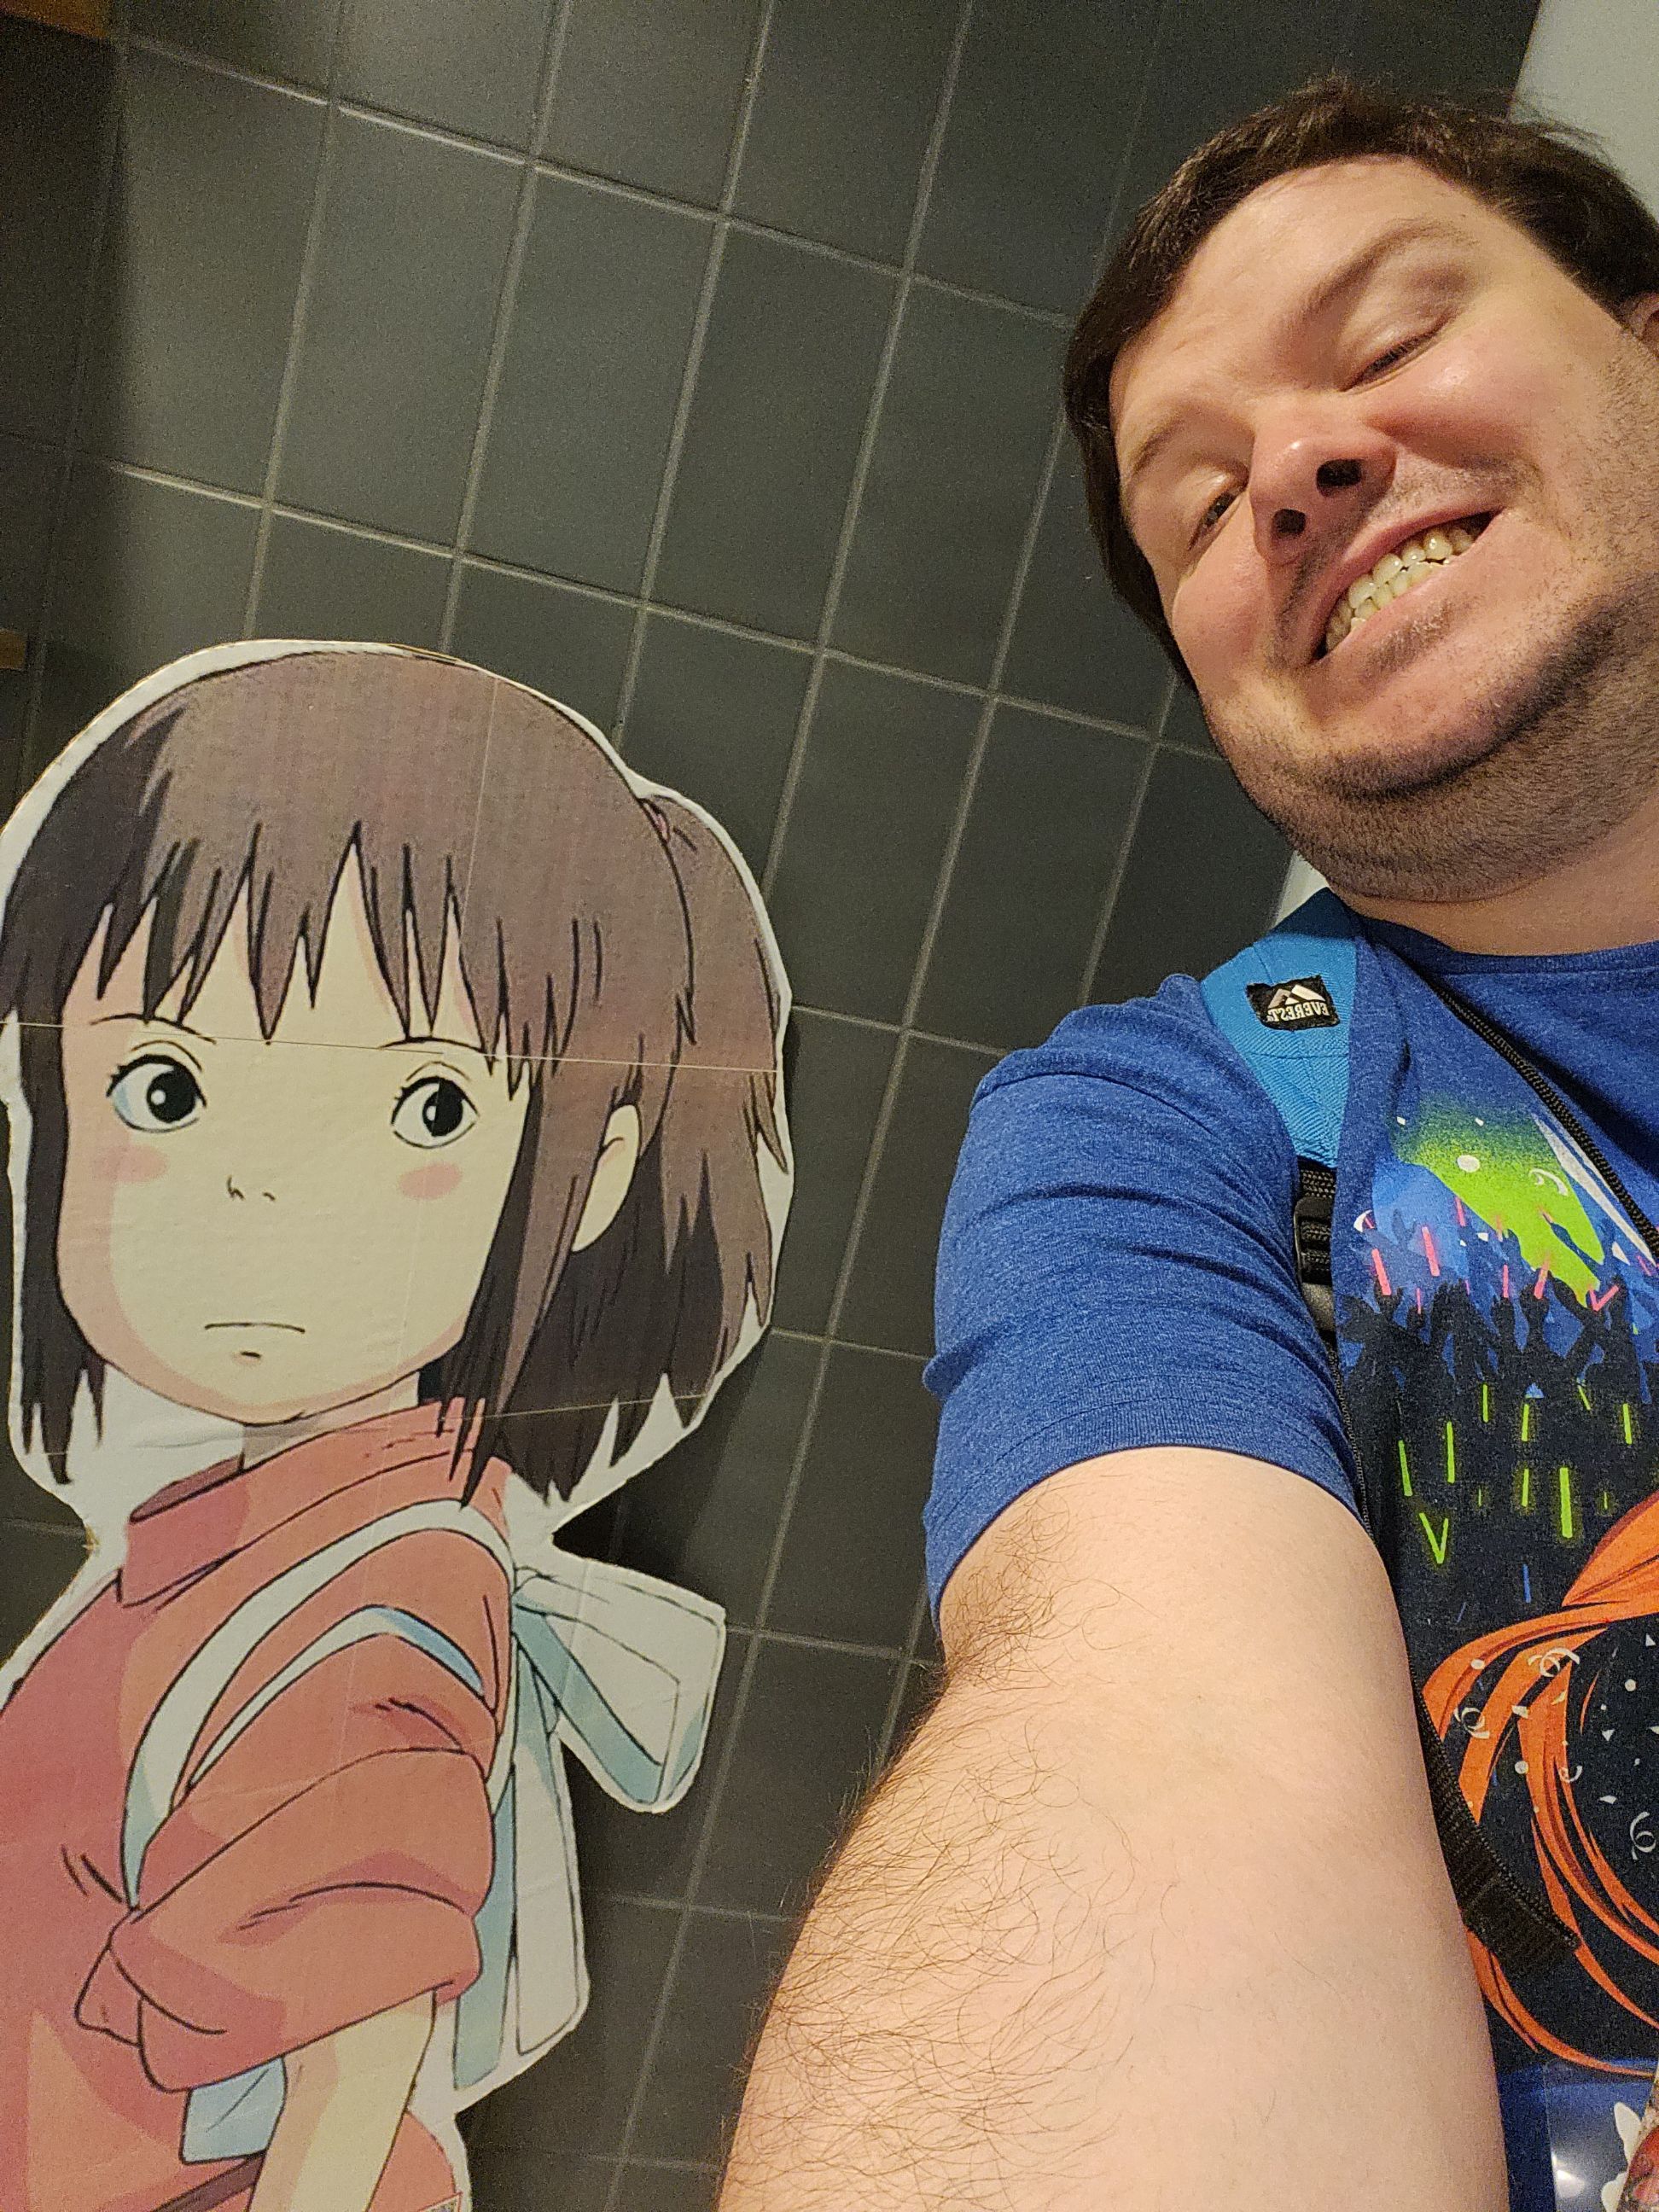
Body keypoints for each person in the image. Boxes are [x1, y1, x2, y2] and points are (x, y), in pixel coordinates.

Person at [718, 74, 1659, 2212]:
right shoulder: (1170, 1130)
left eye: (1393, 336)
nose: (1303, 468)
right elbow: (1146, 1729)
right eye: (1204, 502)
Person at [0, 643, 789, 2212]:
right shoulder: (267, 1547)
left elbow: (346, 2096)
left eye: (428, 1108)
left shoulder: (371, 1616)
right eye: (163, 1088)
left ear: (594, 1172)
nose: (261, 1189)